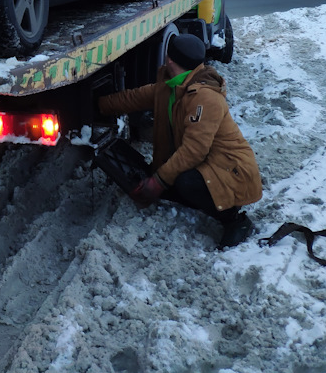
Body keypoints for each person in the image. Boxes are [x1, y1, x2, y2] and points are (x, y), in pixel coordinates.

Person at [93, 33, 262, 248]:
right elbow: (135, 97)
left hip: (232, 170)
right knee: (170, 185)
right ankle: (203, 196)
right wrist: (97, 105)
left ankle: (236, 220)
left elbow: (193, 151)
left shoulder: (205, 98)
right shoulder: (172, 85)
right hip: (210, 163)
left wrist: (157, 181)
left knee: (183, 183)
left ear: (170, 59)